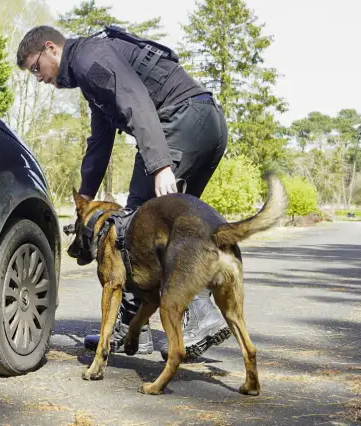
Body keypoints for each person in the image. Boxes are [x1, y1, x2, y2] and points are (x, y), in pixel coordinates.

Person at [16, 25, 230, 360]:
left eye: (35, 68)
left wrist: (159, 164)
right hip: (207, 123)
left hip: (182, 122)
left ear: (50, 48)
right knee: (169, 229)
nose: (38, 77)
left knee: (134, 225)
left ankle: (201, 313)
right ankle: (134, 328)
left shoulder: (89, 58)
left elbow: (134, 98)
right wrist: (84, 201)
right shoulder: (91, 74)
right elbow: (100, 144)